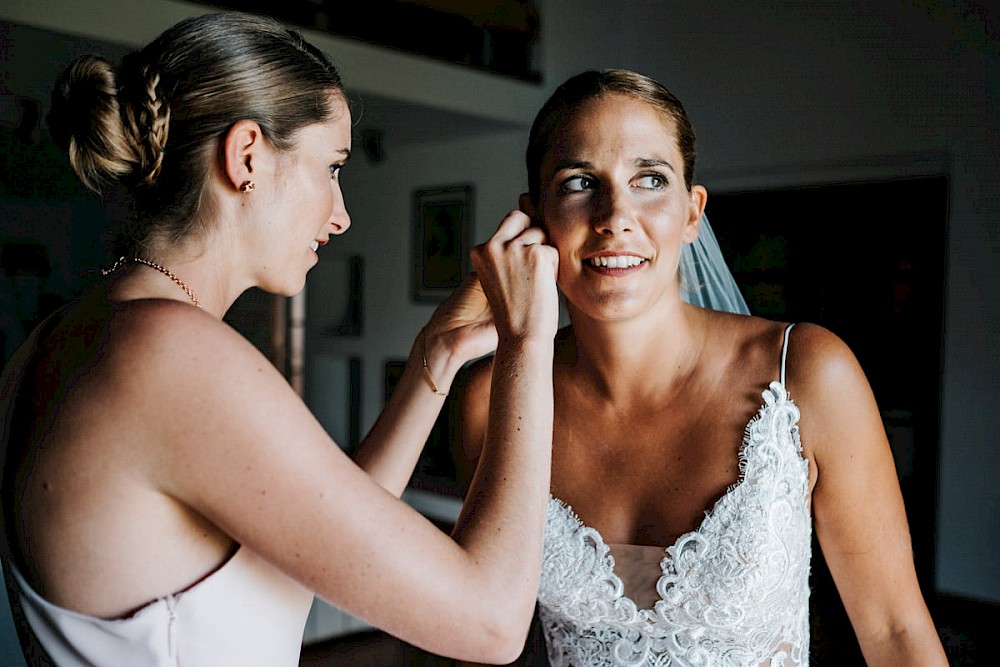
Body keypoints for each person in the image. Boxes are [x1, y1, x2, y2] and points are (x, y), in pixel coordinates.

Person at [0, 12, 561, 666]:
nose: (342, 212)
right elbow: (490, 624)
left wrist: (433, 359)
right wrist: (530, 342)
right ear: (247, 156)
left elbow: (331, 542)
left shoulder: (60, 339)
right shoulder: (171, 354)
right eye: (331, 166)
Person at [457, 69, 948, 666]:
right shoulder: (490, 399)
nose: (616, 215)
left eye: (650, 180)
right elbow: (485, 632)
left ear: (692, 214)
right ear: (535, 219)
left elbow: (895, 632)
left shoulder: (808, 375)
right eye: (580, 182)